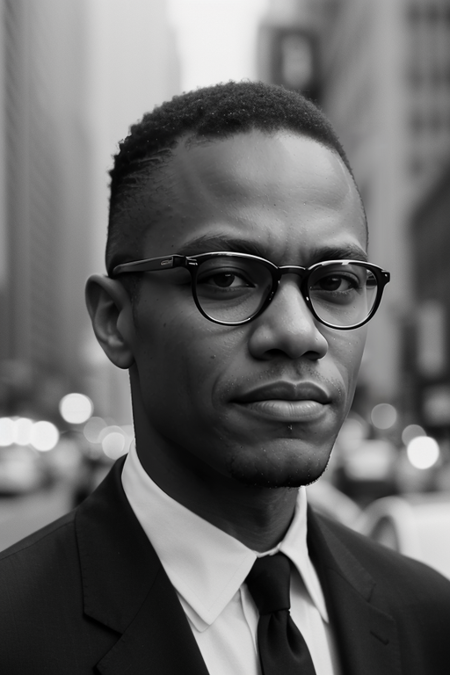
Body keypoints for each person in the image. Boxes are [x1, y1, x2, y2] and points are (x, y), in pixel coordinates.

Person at [1, 81, 449, 675]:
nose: (297, 332)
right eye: (226, 278)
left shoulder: (429, 617)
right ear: (116, 320)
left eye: (335, 282)